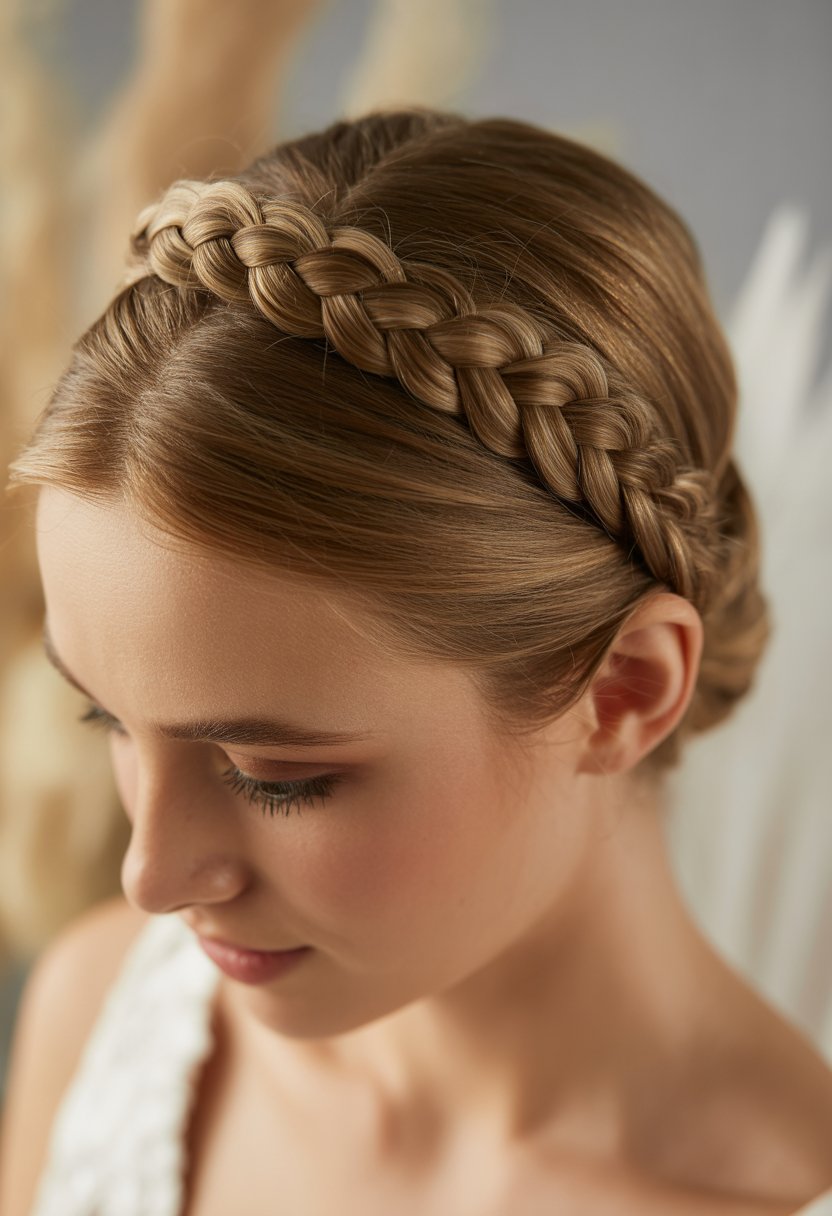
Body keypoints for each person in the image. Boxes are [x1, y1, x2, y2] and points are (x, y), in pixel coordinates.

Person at [1, 108, 831, 1215]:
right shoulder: (99, 1012)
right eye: (105, 720)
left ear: (625, 690)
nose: (148, 877)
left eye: (273, 775)